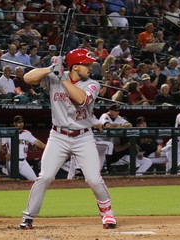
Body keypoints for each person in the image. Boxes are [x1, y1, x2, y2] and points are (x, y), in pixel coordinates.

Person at [20, 48, 117, 230]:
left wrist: (62, 78)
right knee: (45, 176)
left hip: (83, 137)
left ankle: (108, 214)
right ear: (75, 66)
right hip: (58, 136)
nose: (90, 67)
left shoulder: (92, 84)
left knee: (94, 180)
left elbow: (81, 100)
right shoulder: (55, 75)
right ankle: (28, 217)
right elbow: (27, 78)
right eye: (86, 64)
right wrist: (50, 68)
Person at [3, 115, 46, 180]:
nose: (21, 124)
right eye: (19, 122)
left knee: (34, 180)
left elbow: (37, 142)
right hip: (12, 162)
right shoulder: (9, 132)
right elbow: (0, 144)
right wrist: (5, 154)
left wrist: (47, 147)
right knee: (14, 181)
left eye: (22, 122)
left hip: (23, 162)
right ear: (14, 123)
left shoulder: (27, 133)